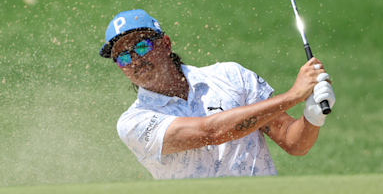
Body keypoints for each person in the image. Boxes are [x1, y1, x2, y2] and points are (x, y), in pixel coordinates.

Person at [99, 9, 336, 179]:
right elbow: (209, 132)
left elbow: (294, 142)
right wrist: (293, 96)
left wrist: (312, 117)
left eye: (142, 45)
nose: (135, 59)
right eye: (122, 56)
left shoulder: (231, 76)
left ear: (166, 44)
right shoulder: (133, 123)